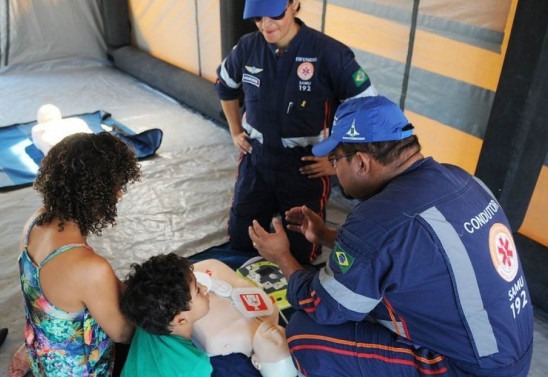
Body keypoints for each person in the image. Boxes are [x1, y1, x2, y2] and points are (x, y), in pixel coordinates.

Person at [248, 96, 534, 376]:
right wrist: (326, 236)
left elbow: (325, 307)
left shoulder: (378, 217)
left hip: (469, 369)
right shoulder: (461, 178)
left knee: (305, 333)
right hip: (512, 354)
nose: (335, 171)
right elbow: (408, 249)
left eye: (335, 161)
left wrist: (282, 256)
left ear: (361, 162)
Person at [214, 0, 378, 264]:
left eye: (274, 15)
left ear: (294, 5)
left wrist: (338, 160)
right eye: (257, 19)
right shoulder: (247, 47)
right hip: (257, 158)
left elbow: (369, 110)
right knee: (240, 238)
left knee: (302, 252)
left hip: (305, 165)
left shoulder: (330, 53)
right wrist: (235, 131)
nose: (266, 25)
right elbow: (225, 86)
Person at [11, 132, 140, 376]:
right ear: (94, 192)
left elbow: (43, 301)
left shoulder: (34, 223)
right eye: (116, 187)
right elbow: (123, 333)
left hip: (42, 359)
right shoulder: (89, 267)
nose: (119, 195)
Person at [120, 253, 212, 377]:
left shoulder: (148, 320)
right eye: (198, 291)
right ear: (180, 320)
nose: (205, 288)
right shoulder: (196, 366)